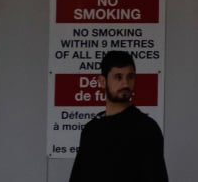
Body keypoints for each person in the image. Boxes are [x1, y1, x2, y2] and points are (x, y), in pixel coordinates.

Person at [69, 49, 169, 182]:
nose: (126, 84)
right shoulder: (91, 131)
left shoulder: (146, 129)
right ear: (102, 81)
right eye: (118, 77)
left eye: (130, 77)